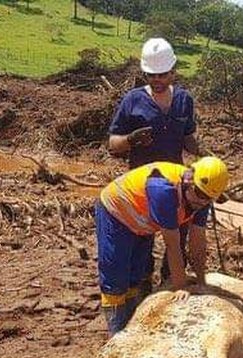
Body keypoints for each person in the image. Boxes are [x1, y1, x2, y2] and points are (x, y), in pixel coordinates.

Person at [95, 156, 229, 335]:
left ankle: (133, 323)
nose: (202, 202)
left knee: (137, 273)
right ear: (189, 180)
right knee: (116, 276)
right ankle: (117, 332)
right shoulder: (163, 190)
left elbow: (197, 242)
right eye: (200, 195)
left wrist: (201, 281)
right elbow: (172, 245)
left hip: (143, 223)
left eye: (208, 199)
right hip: (117, 212)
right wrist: (180, 286)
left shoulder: (202, 196)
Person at [109, 38, 201, 169]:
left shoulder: (184, 100)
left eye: (162, 75)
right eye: (151, 75)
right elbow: (113, 144)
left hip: (172, 176)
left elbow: (187, 138)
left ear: (173, 72)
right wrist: (130, 140)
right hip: (141, 178)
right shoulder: (133, 99)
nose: (156, 80)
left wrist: (204, 155)